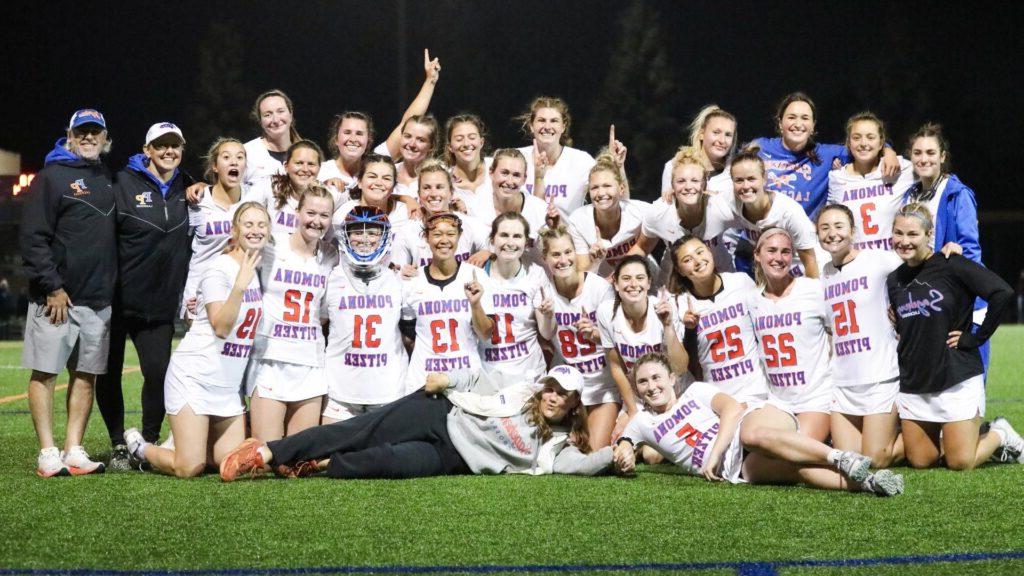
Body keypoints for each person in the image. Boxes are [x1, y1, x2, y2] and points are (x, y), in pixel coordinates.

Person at [219, 365, 613, 480]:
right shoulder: (522, 389)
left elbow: (583, 465)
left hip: (453, 457)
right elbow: (475, 377)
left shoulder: (555, 446)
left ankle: (314, 464)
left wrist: (621, 449)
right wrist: (446, 380)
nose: (553, 396)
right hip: (440, 411)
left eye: (563, 394)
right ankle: (267, 452)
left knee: (385, 462)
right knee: (360, 430)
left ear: (574, 403)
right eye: (552, 388)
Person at [612, 354, 904, 496]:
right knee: (797, 472)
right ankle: (870, 483)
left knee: (752, 435)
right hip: (734, 467)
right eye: (643, 382)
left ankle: (840, 456)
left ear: (671, 378)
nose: (652, 386)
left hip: (751, 422)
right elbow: (623, 445)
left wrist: (714, 454)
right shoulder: (642, 422)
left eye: (656, 377)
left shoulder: (696, 391)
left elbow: (733, 410)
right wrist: (624, 455)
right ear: (636, 390)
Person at [121, 202, 268, 477]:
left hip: (226, 387)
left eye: (261, 225)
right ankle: (141, 448)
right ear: (234, 231)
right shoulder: (220, 268)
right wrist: (238, 287)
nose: (255, 230)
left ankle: (187, 438)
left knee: (229, 464)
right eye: (248, 224)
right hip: (195, 378)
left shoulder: (255, 269)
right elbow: (222, 327)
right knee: (189, 467)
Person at [887, 203, 1023, 469]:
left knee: (960, 462)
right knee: (921, 460)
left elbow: (1001, 292)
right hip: (916, 381)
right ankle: (953, 433)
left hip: (955, 376)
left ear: (929, 235)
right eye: (898, 233)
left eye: (913, 234)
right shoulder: (894, 279)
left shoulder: (952, 264)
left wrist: (976, 337)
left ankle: (999, 432)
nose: (905, 241)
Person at [20, 109, 116, 477]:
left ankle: (74, 448)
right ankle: (47, 451)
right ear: (70, 135)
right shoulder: (49, 177)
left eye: (95, 132)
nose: (89, 138)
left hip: (97, 300)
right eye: (82, 132)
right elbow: (33, 238)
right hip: (57, 300)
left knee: (86, 376)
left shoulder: (106, 177)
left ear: (105, 137)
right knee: (45, 373)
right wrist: (52, 287)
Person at [97, 122, 192, 470]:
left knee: (159, 372)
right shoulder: (122, 183)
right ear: (146, 150)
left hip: (159, 303)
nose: (169, 151)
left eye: (175, 145)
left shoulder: (188, 185)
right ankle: (118, 441)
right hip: (116, 299)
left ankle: (147, 442)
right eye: (161, 145)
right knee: (108, 373)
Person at [247, 186, 338, 442]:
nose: (316, 221)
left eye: (324, 216)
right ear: (297, 212)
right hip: (270, 359)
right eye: (310, 212)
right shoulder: (271, 246)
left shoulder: (330, 256)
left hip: (310, 361)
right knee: (267, 450)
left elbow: (323, 313)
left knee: (297, 460)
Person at [817, 204, 903, 466]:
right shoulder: (824, 274)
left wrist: (905, 313)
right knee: (853, 462)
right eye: (825, 227)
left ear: (853, 231)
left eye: (839, 226)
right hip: (843, 382)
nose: (832, 233)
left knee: (875, 459)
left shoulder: (879, 260)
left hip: (879, 376)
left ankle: (928, 435)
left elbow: (921, 267)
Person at [903, 122, 989, 374]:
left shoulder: (957, 194)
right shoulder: (910, 195)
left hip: (961, 301)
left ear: (942, 157)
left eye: (930, 153)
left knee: (968, 377)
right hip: (927, 299)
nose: (923, 158)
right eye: (917, 153)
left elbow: (971, 250)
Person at [322, 206, 409, 424]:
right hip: (339, 391)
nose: (364, 238)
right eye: (357, 231)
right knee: (327, 457)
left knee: (381, 457)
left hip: (388, 391)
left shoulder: (400, 281)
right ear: (346, 236)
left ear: (385, 236)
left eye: (372, 232)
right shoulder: (331, 278)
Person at [752, 92, 898, 216]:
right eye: (791, 117)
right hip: (760, 239)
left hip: (802, 243)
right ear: (780, 123)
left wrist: (888, 151)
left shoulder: (826, 154)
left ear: (813, 125)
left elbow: (863, 147)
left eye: (805, 118)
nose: (798, 123)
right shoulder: (760, 147)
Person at [748, 228, 832, 442]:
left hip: (815, 397)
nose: (779, 258)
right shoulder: (752, 300)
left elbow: (837, 333)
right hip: (777, 401)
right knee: (752, 456)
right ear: (757, 255)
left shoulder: (813, 290)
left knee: (795, 449)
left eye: (785, 252)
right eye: (772, 251)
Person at [539, 225, 617, 449]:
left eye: (567, 252)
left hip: (602, 386)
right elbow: (546, 334)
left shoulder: (599, 288)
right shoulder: (545, 290)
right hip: (568, 389)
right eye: (555, 254)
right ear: (545, 258)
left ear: (575, 252)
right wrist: (546, 315)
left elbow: (617, 338)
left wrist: (595, 333)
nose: (563, 260)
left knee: (592, 450)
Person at [666, 236, 768, 403]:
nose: (698, 261)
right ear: (680, 270)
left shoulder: (740, 282)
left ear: (710, 252)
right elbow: (682, 366)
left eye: (700, 252)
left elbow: (763, 328)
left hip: (756, 389)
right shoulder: (679, 303)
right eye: (687, 260)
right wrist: (690, 330)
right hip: (717, 396)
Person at [597, 256, 687, 446]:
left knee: (652, 453)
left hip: (671, 391)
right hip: (638, 395)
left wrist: (669, 326)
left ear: (649, 283)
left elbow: (679, 368)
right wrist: (632, 411)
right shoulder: (606, 312)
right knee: (617, 443)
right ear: (616, 284)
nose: (633, 284)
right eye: (626, 278)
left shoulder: (662, 309)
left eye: (639, 278)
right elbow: (616, 367)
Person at [401, 213, 486, 392]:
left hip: (466, 378)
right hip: (422, 379)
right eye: (437, 234)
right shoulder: (412, 281)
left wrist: (476, 304)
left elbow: (486, 334)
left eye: (450, 234)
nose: (444, 240)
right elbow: (408, 336)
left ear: (459, 236)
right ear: (426, 237)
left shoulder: (474, 275)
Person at [467, 213, 552, 389]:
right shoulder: (475, 275)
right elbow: (480, 333)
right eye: (504, 235)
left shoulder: (535, 274)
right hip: (488, 375)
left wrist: (548, 315)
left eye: (517, 236)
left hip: (529, 374)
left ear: (525, 242)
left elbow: (547, 333)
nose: (510, 242)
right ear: (492, 239)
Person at [631, 147, 736, 285]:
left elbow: (755, 223)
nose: (688, 186)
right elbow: (641, 248)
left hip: (721, 277)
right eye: (681, 181)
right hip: (674, 282)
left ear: (705, 183)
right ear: (672, 186)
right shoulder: (659, 212)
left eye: (695, 180)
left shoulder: (722, 208)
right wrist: (620, 275)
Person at [722, 149, 820, 278]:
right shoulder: (731, 200)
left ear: (764, 179)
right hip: (775, 274)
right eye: (739, 180)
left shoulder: (789, 212)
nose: (745, 186)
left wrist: (811, 295)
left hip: (807, 271)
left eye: (751, 179)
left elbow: (810, 261)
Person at [180, 139, 248, 320]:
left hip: (240, 289)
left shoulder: (255, 198)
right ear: (215, 166)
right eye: (226, 157)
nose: (234, 161)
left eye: (240, 157)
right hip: (200, 290)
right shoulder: (197, 200)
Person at [827, 112, 915, 251]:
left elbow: (932, 173)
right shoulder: (837, 178)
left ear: (881, 143)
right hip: (856, 265)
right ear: (848, 143)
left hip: (894, 263)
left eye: (870, 137)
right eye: (856, 138)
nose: (863, 143)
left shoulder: (900, 168)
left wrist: (890, 153)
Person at [390, 160, 490, 275]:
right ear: (419, 194)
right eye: (427, 188)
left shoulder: (471, 224)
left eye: (439, 187)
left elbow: (500, 250)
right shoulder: (407, 232)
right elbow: (396, 272)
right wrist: (403, 273)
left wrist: (489, 254)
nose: (433, 193)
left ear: (451, 192)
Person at [569, 155, 657, 278]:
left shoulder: (640, 212)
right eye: (595, 188)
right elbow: (583, 275)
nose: (601, 193)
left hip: (646, 281)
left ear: (621, 189)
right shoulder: (578, 221)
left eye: (607, 186)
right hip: (603, 286)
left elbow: (664, 213)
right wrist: (594, 262)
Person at [374, 49, 442, 202]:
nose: (412, 144)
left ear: (431, 146)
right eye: (407, 136)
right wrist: (430, 81)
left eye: (421, 140)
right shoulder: (383, 167)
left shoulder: (440, 176)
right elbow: (407, 122)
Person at [517, 97, 596, 216]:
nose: (547, 126)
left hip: (566, 233)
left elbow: (612, 192)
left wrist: (618, 167)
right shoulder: (516, 158)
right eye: (541, 120)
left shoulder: (582, 161)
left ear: (563, 127)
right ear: (531, 126)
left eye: (554, 121)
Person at [246, 140, 340, 240]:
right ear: (286, 166)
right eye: (299, 163)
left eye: (311, 164)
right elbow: (243, 213)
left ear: (319, 168)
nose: (305, 169)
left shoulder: (329, 196)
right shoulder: (269, 186)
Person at [465, 148, 548, 257]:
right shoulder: (474, 209)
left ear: (524, 179)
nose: (509, 181)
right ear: (491, 172)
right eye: (504, 173)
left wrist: (555, 229)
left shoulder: (541, 210)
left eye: (516, 175)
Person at [660, 105, 737, 196]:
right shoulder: (674, 166)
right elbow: (665, 207)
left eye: (728, 135)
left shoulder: (736, 171)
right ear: (701, 134)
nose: (722, 140)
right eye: (716, 132)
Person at [333, 153, 409, 235]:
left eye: (386, 178)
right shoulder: (343, 216)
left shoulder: (405, 215)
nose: (379, 183)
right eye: (372, 177)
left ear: (393, 187)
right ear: (359, 182)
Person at [244, 89, 301, 189]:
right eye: (268, 115)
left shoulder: (306, 152)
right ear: (260, 121)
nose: (275, 120)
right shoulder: (246, 153)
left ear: (291, 114)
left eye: (280, 111)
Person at [319, 111, 374, 196]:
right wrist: (322, 185)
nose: (353, 139)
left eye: (359, 134)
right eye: (347, 132)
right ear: (336, 139)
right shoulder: (321, 171)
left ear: (368, 141)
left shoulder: (374, 173)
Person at [445, 114, 491, 205]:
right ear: (450, 147)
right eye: (459, 139)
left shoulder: (497, 166)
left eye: (472, 137)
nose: (466, 143)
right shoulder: (444, 180)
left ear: (481, 142)